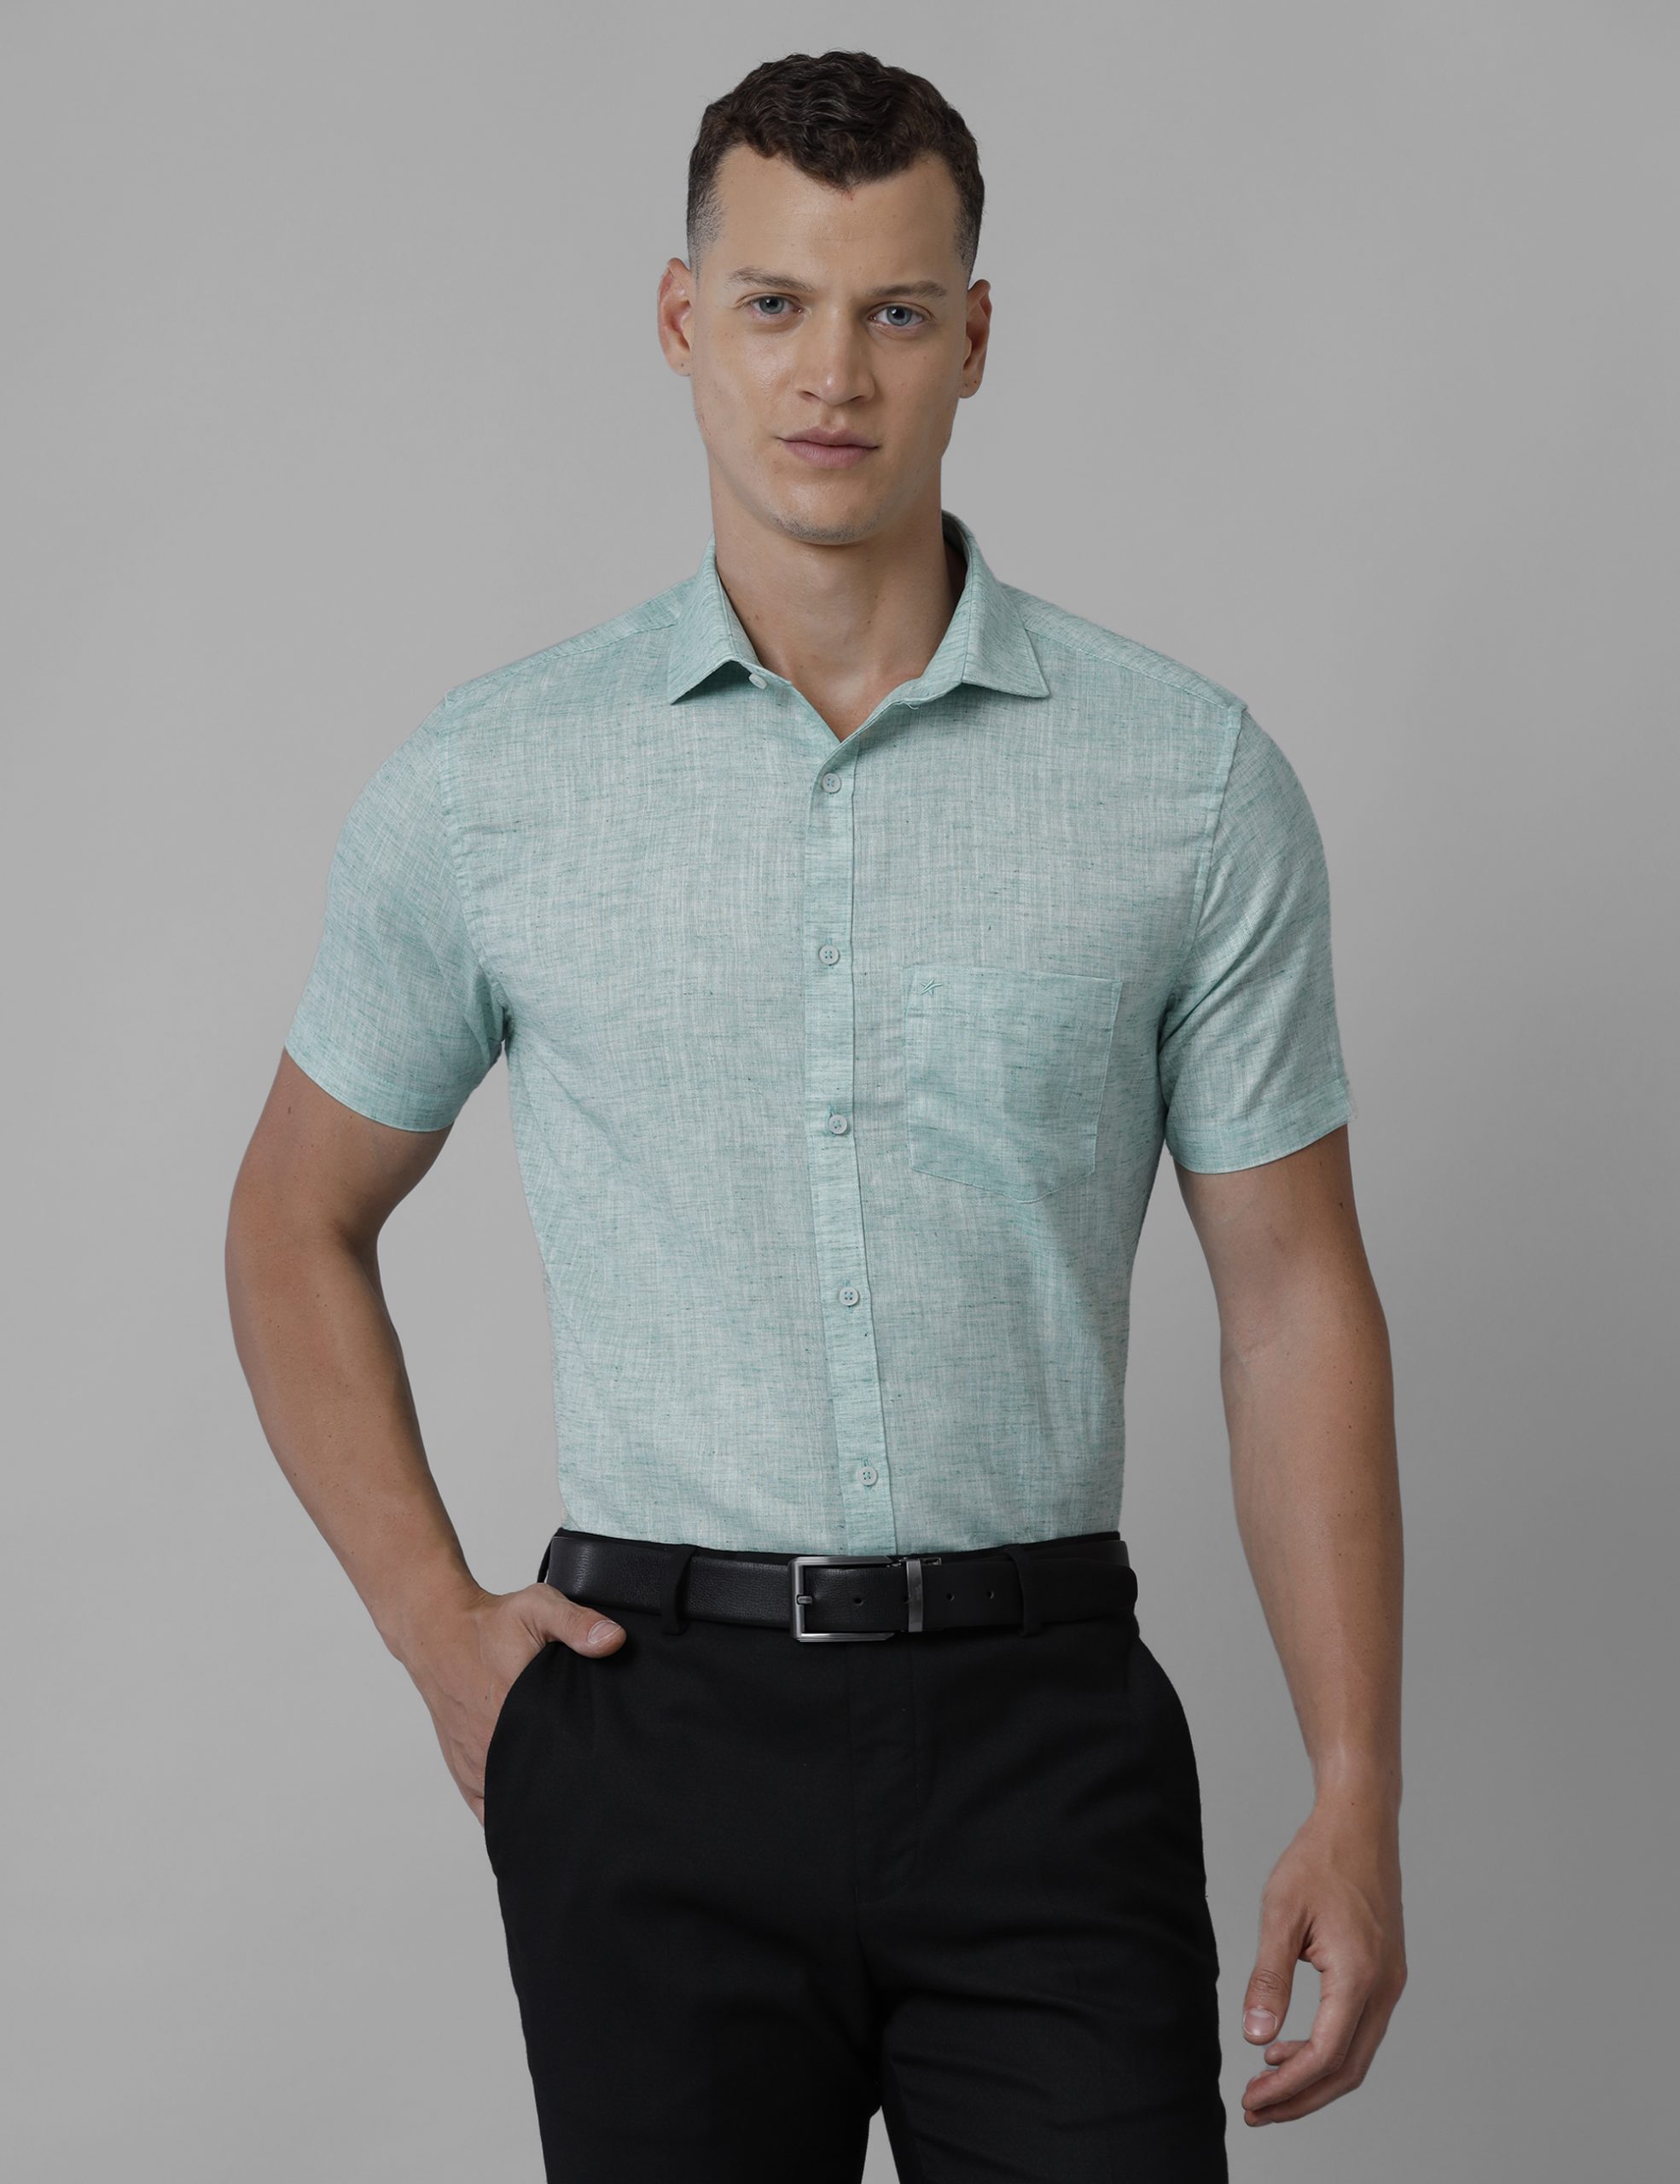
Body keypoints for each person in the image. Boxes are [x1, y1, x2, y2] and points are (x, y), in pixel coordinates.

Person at [225, 46, 1405, 2184]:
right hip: (649, 1737)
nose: (830, 373)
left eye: (893, 310)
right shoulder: (496, 784)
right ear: (683, 321)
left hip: (1043, 1736)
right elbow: (293, 1215)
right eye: (773, 303)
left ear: (976, 336)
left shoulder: (1185, 783)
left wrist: (1353, 1779)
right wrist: (434, 1623)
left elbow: (1292, 1297)